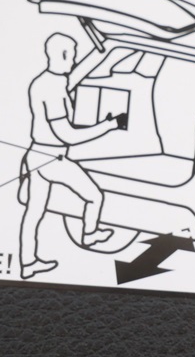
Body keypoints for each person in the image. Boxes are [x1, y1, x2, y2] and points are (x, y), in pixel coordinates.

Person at [19, 33, 123, 280]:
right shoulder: (53, 88)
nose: (74, 60)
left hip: (36, 154)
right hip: (52, 159)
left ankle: (27, 264)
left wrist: (106, 47)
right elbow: (67, 134)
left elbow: (76, 76)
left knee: (34, 213)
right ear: (63, 54)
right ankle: (89, 235)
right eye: (72, 56)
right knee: (95, 196)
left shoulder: (46, 81)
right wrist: (108, 126)